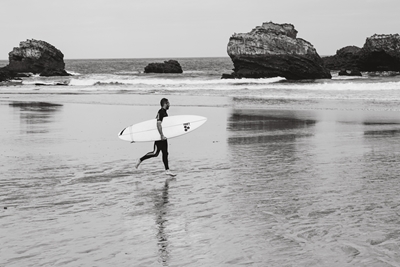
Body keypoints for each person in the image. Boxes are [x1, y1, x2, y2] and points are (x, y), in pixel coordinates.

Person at [135, 98, 176, 176]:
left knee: (165, 153)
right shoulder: (161, 112)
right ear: (165, 104)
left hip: (163, 136)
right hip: (159, 136)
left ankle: (167, 170)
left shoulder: (164, 112)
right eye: (168, 103)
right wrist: (161, 135)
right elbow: (158, 124)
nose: (169, 104)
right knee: (155, 153)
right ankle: (140, 160)